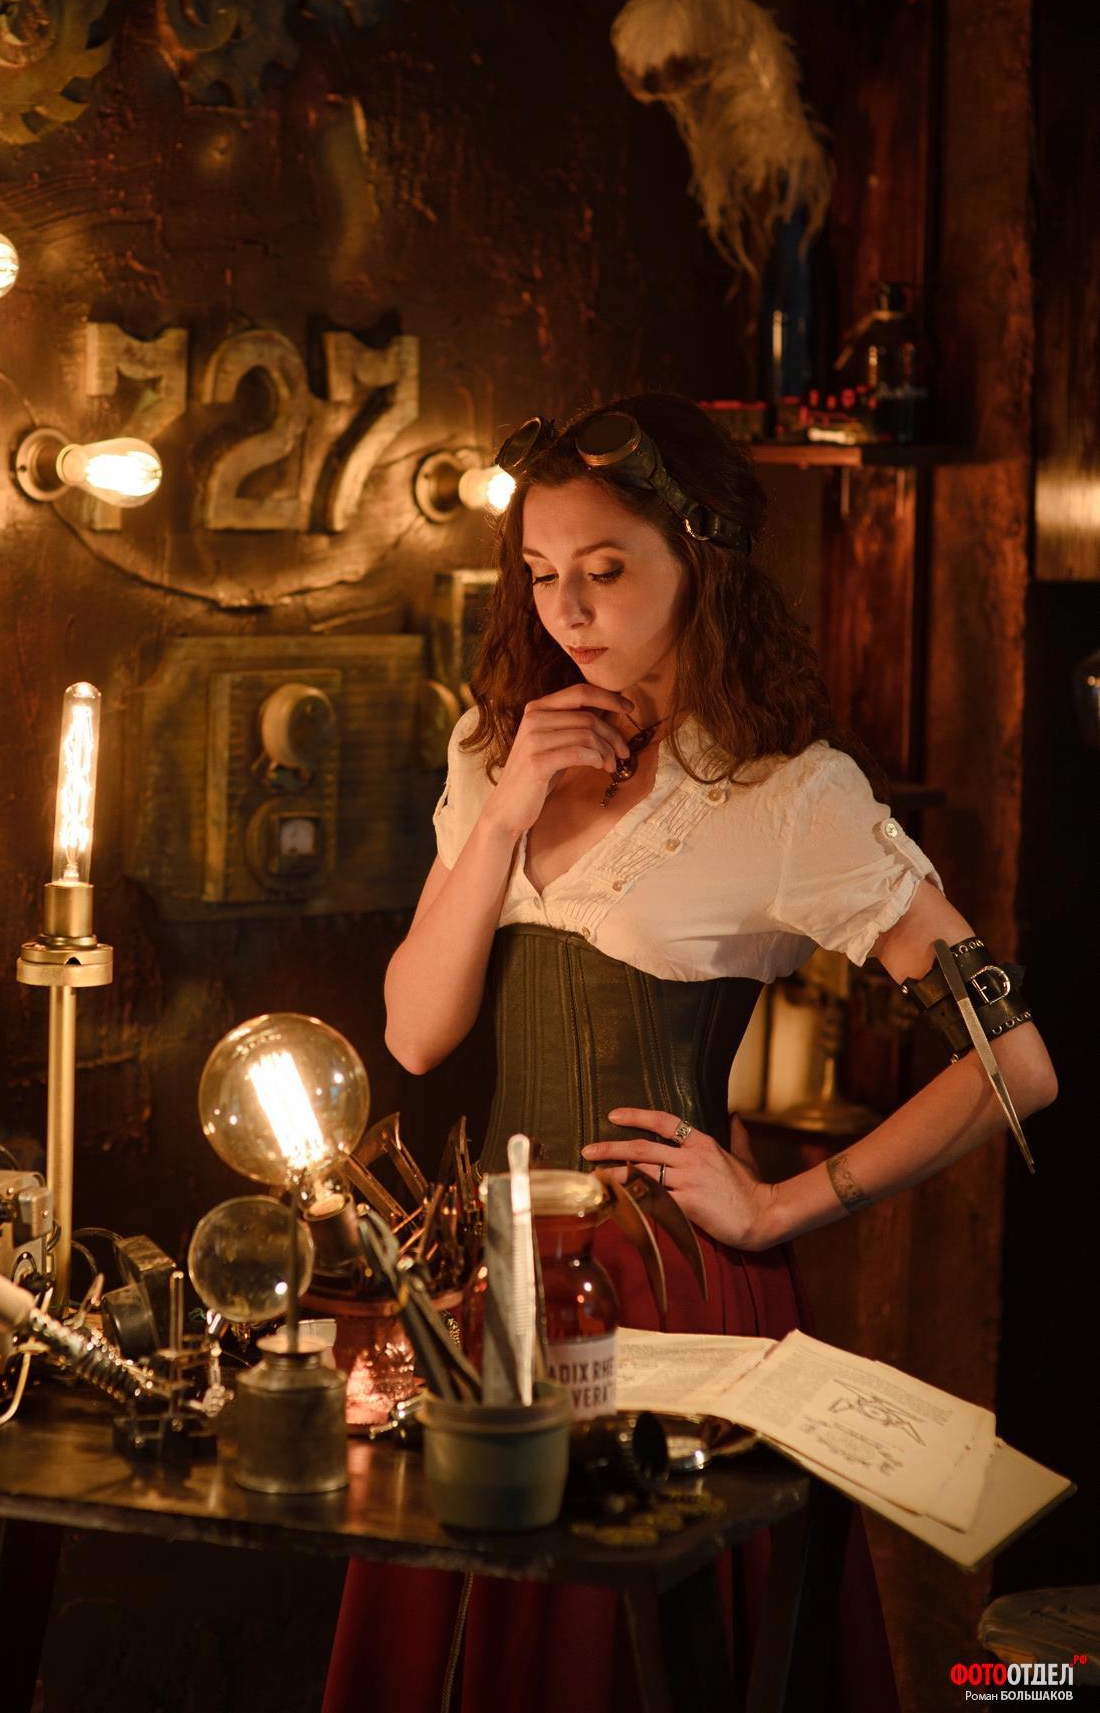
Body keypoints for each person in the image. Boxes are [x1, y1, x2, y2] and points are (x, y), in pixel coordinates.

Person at [323, 394, 1057, 1713]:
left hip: (664, 1289)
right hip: (483, 1277)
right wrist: (504, 810)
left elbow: (1016, 1062)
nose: (567, 608)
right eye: (541, 572)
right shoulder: (496, 749)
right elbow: (417, 1034)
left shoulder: (787, 792)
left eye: (605, 570)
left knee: (620, 1661)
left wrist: (781, 1204)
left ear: (700, 556)